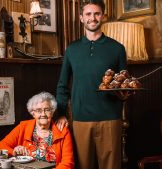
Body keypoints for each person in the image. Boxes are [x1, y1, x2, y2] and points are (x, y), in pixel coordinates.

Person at [55, 1, 130, 169]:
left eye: (97, 14)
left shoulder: (117, 48)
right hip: (80, 119)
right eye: (88, 14)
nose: (92, 18)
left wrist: (125, 94)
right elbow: (62, 85)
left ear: (103, 16)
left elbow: (124, 82)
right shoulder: (71, 49)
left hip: (110, 118)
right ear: (81, 18)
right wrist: (60, 113)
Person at [0, 92, 74, 169]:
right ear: (33, 114)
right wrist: (14, 151)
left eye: (47, 110)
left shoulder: (63, 131)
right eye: (39, 111)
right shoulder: (23, 127)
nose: (43, 114)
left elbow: (68, 162)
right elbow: (1, 146)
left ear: (52, 112)